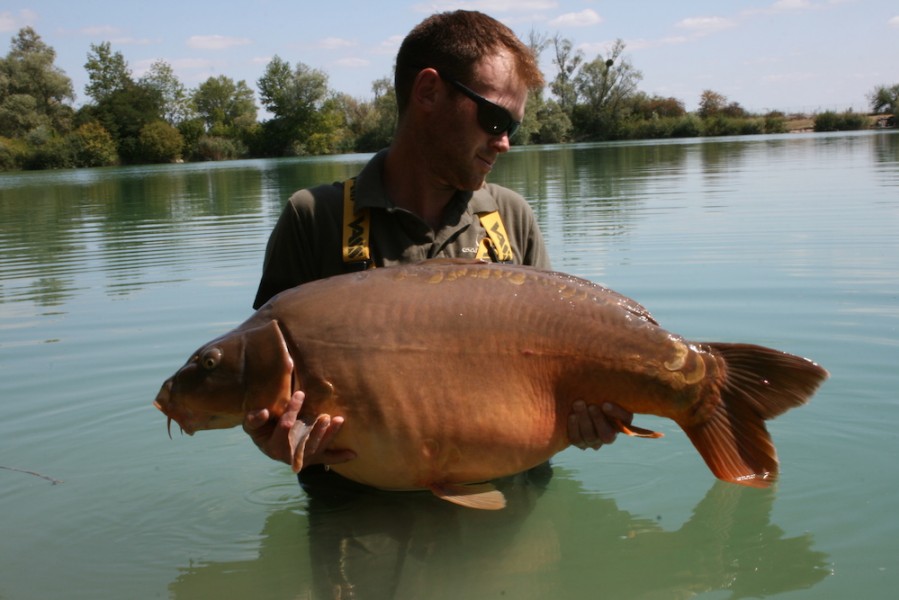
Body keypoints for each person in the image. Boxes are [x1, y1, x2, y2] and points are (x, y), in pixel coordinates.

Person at [243, 10, 634, 488]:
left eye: (513, 125)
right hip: (359, 525)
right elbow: (265, 392)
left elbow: (560, 379)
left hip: (510, 513)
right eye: (494, 118)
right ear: (428, 91)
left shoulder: (511, 218)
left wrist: (588, 422)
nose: (505, 142)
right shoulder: (313, 219)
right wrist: (272, 438)